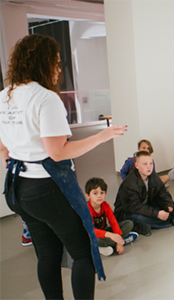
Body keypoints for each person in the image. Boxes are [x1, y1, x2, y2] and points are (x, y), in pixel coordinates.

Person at [0, 34, 127, 299]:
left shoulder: (4, 97)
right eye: (56, 62)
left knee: (47, 255)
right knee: (83, 253)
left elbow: (3, 146)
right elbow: (57, 152)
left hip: (18, 189)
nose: (59, 69)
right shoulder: (45, 99)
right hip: (47, 188)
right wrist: (102, 136)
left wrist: (13, 159)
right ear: (43, 63)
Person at [114, 151, 174, 236]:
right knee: (139, 218)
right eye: (145, 164)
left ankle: (144, 226)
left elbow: (162, 193)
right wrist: (156, 214)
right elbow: (134, 207)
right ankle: (173, 218)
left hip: (146, 206)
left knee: (161, 210)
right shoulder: (129, 183)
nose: (149, 167)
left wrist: (168, 205)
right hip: (127, 213)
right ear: (137, 165)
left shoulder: (153, 177)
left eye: (151, 163)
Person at [85, 178, 138, 257]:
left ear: (105, 193)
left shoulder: (105, 205)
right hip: (93, 235)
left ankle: (114, 243)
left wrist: (118, 242)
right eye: (95, 193)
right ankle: (120, 240)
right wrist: (111, 235)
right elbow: (91, 230)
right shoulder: (86, 209)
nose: (99, 196)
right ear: (88, 195)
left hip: (105, 231)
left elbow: (113, 222)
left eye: (102, 193)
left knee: (128, 224)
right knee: (94, 239)